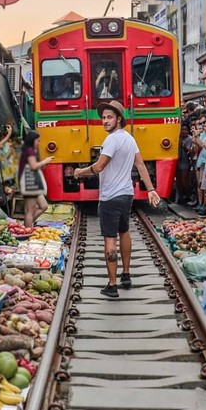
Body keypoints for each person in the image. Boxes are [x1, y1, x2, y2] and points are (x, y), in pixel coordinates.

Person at [73, 100, 160, 297]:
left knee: (110, 239)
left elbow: (99, 166)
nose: (105, 121)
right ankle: (126, 274)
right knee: (124, 230)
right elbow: (140, 165)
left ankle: (112, 286)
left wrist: (80, 172)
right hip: (126, 194)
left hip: (110, 197)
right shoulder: (130, 139)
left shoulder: (111, 140)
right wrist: (150, 189)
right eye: (103, 117)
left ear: (119, 119)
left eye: (109, 117)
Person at [18, 130, 54, 227]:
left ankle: (26, 225)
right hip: (30, 183)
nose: (39, 143)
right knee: (30, 211)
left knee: (44, 206)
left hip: (32, 183)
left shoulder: (29, 150)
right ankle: (28, 231)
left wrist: (44, 164)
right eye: (38, 141)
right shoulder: (29, 150)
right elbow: (33, 166)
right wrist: (45, 161)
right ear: (32, 140)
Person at [175, 121, 194, 205]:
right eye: (182, 130)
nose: (183, 131)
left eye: (185, 130)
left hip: (185, 161)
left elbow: (191, 151)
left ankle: (188, 196)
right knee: (178, 181)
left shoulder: (190, 139)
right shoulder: (178, 138)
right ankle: (181, 197)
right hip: (178, 162)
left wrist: (185, 146)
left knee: (185, 180)